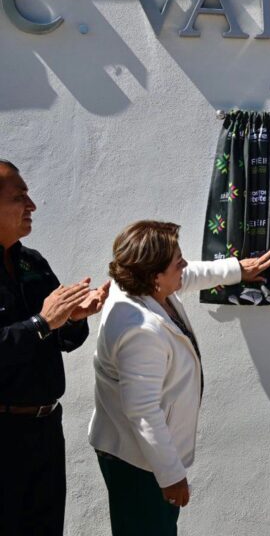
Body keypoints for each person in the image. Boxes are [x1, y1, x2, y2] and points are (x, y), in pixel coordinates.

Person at [87, 221, 270, 535]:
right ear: (155, 275)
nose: (184, 266)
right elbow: (142, 410)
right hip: (139, 462)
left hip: (144, 456)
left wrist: (234, 270)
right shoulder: (139, 329)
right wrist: (171, 475)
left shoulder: (139, 284)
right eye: (177, 261)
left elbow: (188, 276)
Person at [0, 159, 109, 535]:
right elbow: (36, 329)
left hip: (45, 430)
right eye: (19, 197)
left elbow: (60, 340)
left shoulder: (32, 262)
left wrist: (75, 317)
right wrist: (41, 322)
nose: (32, 205)